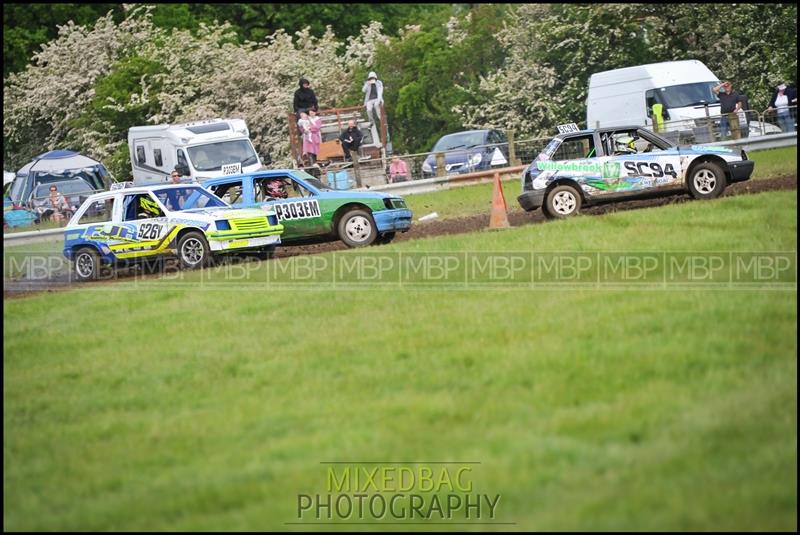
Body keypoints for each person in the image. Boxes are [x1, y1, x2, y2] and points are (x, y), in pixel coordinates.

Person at [362, 71, 384, 146]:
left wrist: (379, 99)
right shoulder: (367, 84)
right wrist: (367, 84)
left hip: (377, 98)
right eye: (371, 78)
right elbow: (363, 90)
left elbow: (380, 92)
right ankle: (371, 121)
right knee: (369, 110)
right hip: (369, 100)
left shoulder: (379, 83)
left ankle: (380, 118)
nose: (372, 79)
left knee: (376, 106)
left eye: (373, 78)